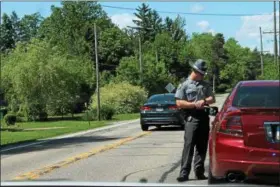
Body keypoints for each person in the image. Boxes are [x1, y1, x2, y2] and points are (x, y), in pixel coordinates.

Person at [175, 59, 216, 182]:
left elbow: (212, 98)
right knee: (189, 145)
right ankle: (184, 173)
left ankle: (199, 172)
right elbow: (179, 102)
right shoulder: (184, 85)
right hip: (191, 118)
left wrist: (204, 101)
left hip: (203, 117)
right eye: (202, 73)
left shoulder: (205, 84)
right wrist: (194, 105)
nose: (203, 75)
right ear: (195, 71)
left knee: (202, 146)